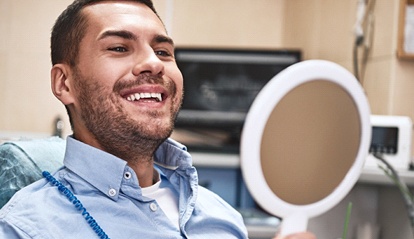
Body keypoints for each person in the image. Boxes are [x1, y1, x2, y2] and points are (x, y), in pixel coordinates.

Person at [0, 1, 315, 238]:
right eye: (120, 47)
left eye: (164, 52)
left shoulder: (222, 216)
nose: (153, 62)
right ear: (64, 84)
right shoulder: (26, 228)